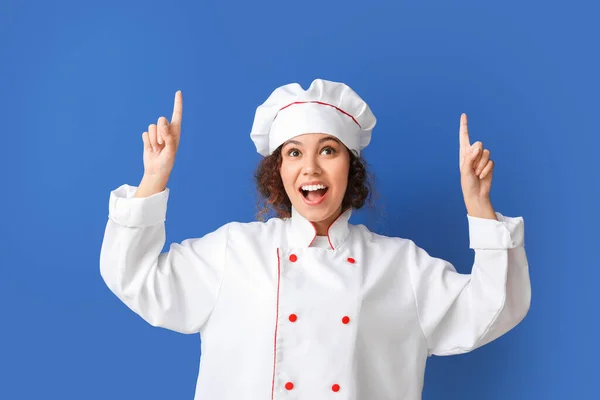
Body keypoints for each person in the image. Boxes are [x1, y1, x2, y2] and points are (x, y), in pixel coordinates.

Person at [100, 79, 531, 400]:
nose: (310, 168)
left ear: (350, 166)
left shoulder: (399, 266)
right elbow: (135, 277)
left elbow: (493, 308)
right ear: (279, 172)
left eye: (328, 150)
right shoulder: (235, 252)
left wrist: (479, 206)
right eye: (293, 153)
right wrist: (153, 179)